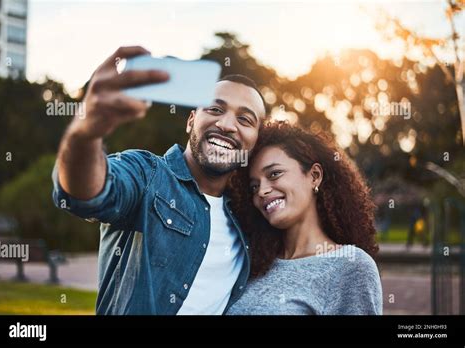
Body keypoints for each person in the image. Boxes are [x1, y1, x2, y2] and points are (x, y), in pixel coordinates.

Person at [52, 46, 267, 314]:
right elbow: (89, 193)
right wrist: (85, 133)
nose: (226, 124)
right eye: (214, 109)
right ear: (191, 120)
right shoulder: (147, 174)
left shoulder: (249, 215)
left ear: (256, 141)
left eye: (245, 119)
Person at [227, 122, 383, 315]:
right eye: (254, 186)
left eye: (274, 174)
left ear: (314, 176)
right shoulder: (252, 264)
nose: (262, 191)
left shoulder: (351, 266)